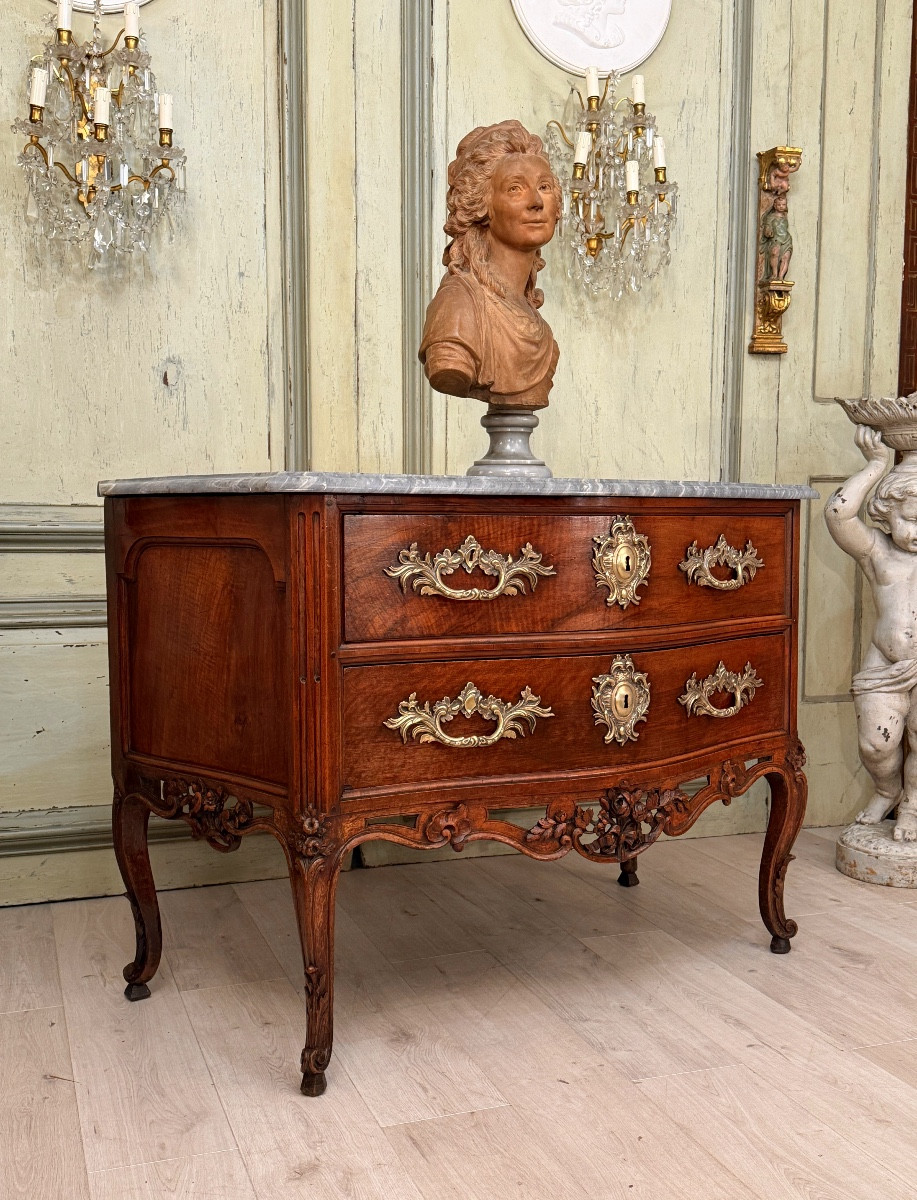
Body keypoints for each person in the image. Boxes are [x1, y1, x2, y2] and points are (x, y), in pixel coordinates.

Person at [419, 120, 561, 411]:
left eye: (544, 187)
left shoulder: (541, 331)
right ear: (482, 205)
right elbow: (448, 368)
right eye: (515, 189)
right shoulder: (459, 306)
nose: (536, 202)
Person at [825, 425, 917, 840]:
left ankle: (912, 809)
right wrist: (877, 465)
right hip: (886, 665)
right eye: (912, 519)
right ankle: (887, 789)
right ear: (887, 512)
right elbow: (838, 515)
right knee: (876, 746)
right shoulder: (879, 553)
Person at [760, 193, 793, 282]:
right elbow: (767, 227)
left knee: (785, 258)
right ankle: (774, 274)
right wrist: (768, 231)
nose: (781, 207)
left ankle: (781, 277)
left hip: (786, 239)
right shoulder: (771, 217)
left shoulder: (785, 216)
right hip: (776, 239)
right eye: (779, 205)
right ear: (774, 205)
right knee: (775, 253)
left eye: (783, 205)